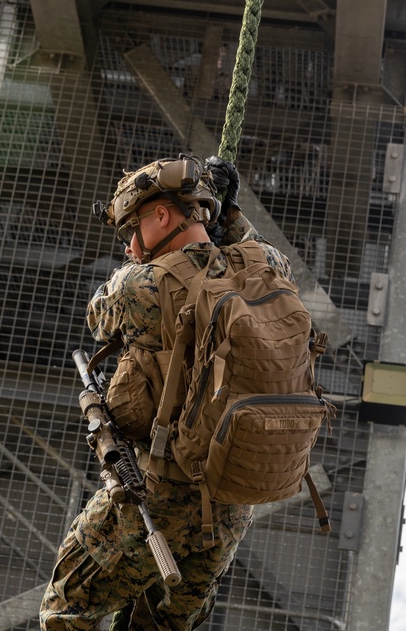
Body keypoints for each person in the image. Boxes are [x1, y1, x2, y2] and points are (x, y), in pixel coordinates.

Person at [40, 154, 295, 630]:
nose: (131, 246)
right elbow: (251, 251)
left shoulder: (143, 285)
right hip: (230, 510)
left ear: (161, 215)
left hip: (155, 497)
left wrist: (157, 259)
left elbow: (99, 315)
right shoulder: (270, 265)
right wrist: (228, 215)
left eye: (132, 228)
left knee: (65, 611)